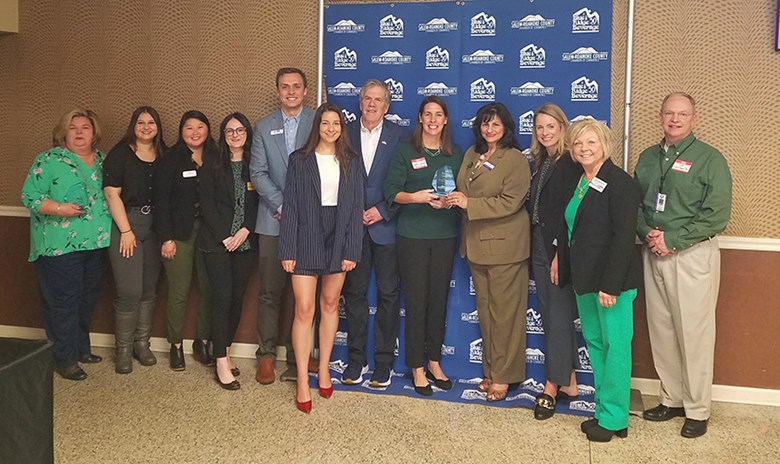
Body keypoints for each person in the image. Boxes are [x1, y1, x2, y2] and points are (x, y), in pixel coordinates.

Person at [635, 93, 732, 439]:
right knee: (661, 328)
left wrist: (673, 239)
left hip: (691, 254)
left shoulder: (710, 160)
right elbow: (637, 208)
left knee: (694, 332)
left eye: (682, 114)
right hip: (653, 251)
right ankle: (671, 398)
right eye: (669, 113)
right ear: (659, 117)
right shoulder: (647, 158)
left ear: (695, 118)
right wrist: (650, 235)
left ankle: (697, 408)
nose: (675, 119)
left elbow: (717, 215)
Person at [556, 119, 641, 442]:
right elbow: (572, 230)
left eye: (591, 143)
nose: (584, 149)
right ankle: (605, 411)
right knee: (595, 344)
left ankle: (616, 416)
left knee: (616, 347)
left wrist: (611, 284)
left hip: (611, 285)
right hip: (584, 281)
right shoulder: (581, 181)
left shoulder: (620, 183)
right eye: (578, 144)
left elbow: (622, 239)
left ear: (605, 145)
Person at [278, 103, 363, 413]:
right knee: (304, 308)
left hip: (338, 237)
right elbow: (290, 207)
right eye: (325, 123)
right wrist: (287, 249)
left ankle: (324, 368)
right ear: (317, 126)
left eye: (336, 123)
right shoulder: (299, 161)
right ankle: (303, 377)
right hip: (305, 238)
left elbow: (356, 210)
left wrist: (352, 249)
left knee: (329, 305)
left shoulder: (352, 162)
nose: (330, 128)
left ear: (342, 127)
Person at [447, 103, 530, 402]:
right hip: (476, 245)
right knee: (487, 314)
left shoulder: (515, 159)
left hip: (506, 247)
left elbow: (512, 201)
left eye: (496, 124)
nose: (490, 129)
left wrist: (470, 204)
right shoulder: (472, 155)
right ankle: (492, 371)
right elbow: (463, 191)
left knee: (506, 315)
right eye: (485, 123)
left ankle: (505, 377)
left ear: (507, 127)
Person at [21, 108, 111, 380]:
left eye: (85, 127)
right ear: (64, 133)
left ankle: (81, 348)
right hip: (59, 246)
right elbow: (29, 196)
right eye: (73, 127)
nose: (80, 132)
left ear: (94, 132)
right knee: (64, 302)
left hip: (96, 243)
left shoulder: (105, 161)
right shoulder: (48, 160)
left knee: (86, 299)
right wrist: (60, 208)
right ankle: (64, 358)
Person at [383, 96, 463, 396]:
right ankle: (416, 366)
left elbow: (463, 195)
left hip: (444, 235)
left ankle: (434, 362)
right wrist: (416, 197)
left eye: (438, 114)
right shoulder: (406, 150)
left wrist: (449, 202)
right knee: (416, 302)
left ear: (445, 120)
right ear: (419, 118)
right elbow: (391, 191)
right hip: (412, 236)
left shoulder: (455, 155)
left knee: (437, 301)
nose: (432, 119)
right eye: (427, 114)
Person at [250, 67, 316, 385]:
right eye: (284, 87)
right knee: (269, 292)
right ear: (277, 91)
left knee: (303, 296)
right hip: (273, 221)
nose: (290, 92)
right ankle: (266, 357)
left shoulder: (318, 122)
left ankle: (297, 357)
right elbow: (258, 173)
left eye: (296, 86)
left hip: (311, 224)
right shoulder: (263, 127)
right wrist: (283, 205)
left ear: (305, 91)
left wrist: (302, 209)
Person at [341, 79, 408, 387]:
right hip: (351, 228)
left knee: (388, 296)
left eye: (377, 100)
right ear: (360, 102)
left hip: (387, 227)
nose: (371, 104)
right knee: (353, 295)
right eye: (366, 98)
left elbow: (406, 181)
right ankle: (356, 361)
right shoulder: (344, 132)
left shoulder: (400, 137)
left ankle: (383, 363)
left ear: (387, 106)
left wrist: (382, 210)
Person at [526, 104, 581, 418]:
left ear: (563, 126)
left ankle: (551, 385)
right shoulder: (543, 161)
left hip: (556, 249)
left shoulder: (570, 163)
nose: (545, 132)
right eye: (539, 127)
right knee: (553, 315)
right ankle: (569, 381)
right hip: (538, 244)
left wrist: (561, 252)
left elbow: (570, 214)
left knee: (557, 317)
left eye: (550, 126)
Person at [103, 106, 166, 374]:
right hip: (126, 225)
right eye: (141, 122)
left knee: (149, 290)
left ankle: (142, 345)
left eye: (151, 122)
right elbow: (111, 195)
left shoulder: (164, 155)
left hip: (156, 227)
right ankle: (124, 350)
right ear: (133, 126)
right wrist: (126, 231)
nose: (146, 127)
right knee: (129, 291)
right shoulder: (120, 155)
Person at [198, 113, 259, 390]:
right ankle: (220, 360)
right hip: (217, 243)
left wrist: (246, 229)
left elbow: (260, 200)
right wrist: (226, 235)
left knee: (236, 299)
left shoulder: (255, 163)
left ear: (247, 133)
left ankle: (226, 348)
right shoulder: (212, 163)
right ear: (223, 135)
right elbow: (206, 204)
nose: (235, 135)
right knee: (221, 299)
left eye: (240, 129)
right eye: (229, 130)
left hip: (246, 242)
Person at [154, 110, 215, 371]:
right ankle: (175, 344)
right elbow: (161, 202)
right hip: (178, 235)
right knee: (179, 291)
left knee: (208, 289)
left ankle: (202, 340)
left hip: (210, 233)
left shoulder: (216, 157)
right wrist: (166, 238)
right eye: (189, 128)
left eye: (200, 127)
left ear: (208, 130)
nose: (195, 132)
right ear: (181, 131)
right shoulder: (171, 159)